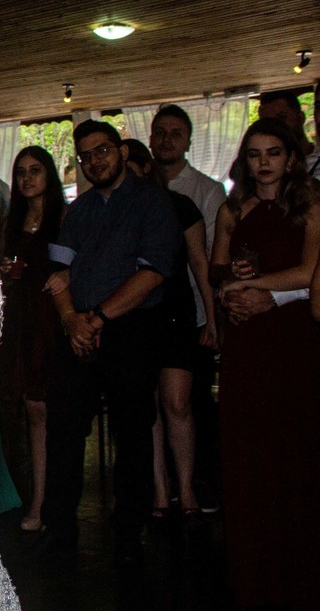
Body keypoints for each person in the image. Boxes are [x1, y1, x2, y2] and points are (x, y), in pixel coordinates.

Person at [43, 120, 180, 566]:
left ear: (121, 151)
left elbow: (153, 273)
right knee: (63, 429)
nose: (94, 161)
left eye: (102, 150)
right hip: (79, 329)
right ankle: (59, 531)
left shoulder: (152, 203)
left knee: (132, 431)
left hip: (130, 329)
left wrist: (99, 318)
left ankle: (128, 532)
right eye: (85, 156)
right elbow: (58, 273)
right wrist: (71, 321)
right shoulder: (79, 210)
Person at [210, 118, 320, 608]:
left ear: (291, 158)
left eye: (273, 152)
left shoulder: (310, 204)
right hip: (246, 343)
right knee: (246, 454)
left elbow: (310, 272)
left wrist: (252, 287)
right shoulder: (232, 208)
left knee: (294, 451)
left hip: (293, 338)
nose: (264, 163)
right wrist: (229, 287)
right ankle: (252, 572)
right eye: (255, 154)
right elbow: (215, 269)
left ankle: (301, 573)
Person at [122, 139, 216, 523]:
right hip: (136, 317)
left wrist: (212, 318)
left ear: (145, 169)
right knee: (148, 408)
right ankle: (161, 492)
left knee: (177, 402)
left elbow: (200, 264)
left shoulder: (179, 205)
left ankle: (187, 488)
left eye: (131, 171)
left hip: (176, 313)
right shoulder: (119, 214)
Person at [0, 145, 65, 533]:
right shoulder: (13, 221)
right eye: (21, 172)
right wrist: (6, 270)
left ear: (48, 175)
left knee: (43, 408)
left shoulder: (63, 218)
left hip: (51, 318)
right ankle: (28, 496)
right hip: (19, 316)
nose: (27, 178)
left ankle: (44, 502)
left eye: (35, 170)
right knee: (20, 407)